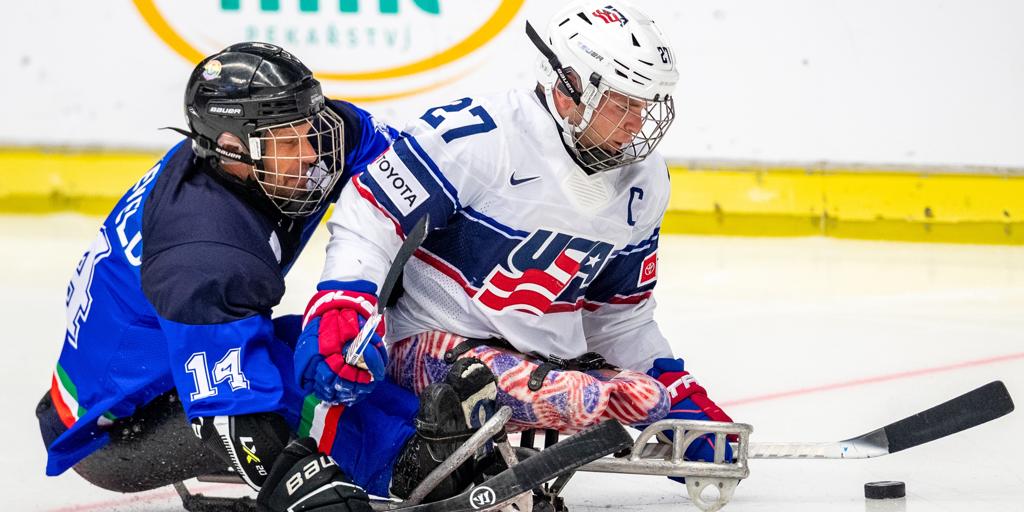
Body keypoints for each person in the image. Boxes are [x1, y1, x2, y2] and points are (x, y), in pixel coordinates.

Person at [35, 42, 496, 511]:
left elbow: (396, 169)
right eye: (290, 143)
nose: (313, 153)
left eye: (310, 129)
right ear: (233, 150)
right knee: (280, 375)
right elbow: (236, 418)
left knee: (329, 342)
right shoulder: (206, 253)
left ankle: (420, 428)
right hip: (120, 433)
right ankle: (408, 461)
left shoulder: (270, 155)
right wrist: (300, 487)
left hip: (167, 360)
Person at [300, 0, 734, 466]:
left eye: (645, 103)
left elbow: (618, 315)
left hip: (544, 366)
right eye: (622, 102)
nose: (637, 121)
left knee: (648, 397)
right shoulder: (480, 137)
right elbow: (372, 210)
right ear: (568, 89)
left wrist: (677, 393)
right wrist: (343, 302)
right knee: (582, 397)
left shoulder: (645, 183)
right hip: (429, 345)